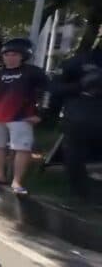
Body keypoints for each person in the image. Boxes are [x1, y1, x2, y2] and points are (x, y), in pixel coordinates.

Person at [0, 38, 49, 196]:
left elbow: (47, 93)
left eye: (14, 54)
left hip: (22, 117)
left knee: (22, 148)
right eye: (7, 54)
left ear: (23, 56)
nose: (10, 57)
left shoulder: (34, 73)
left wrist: (41, 114)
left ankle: (17, 181)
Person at [49, 41, 102, 201]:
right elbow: (55, 89)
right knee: (74, 155)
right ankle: (81, 194)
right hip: (79, 115)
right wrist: (80, 86)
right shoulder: (77, 62)